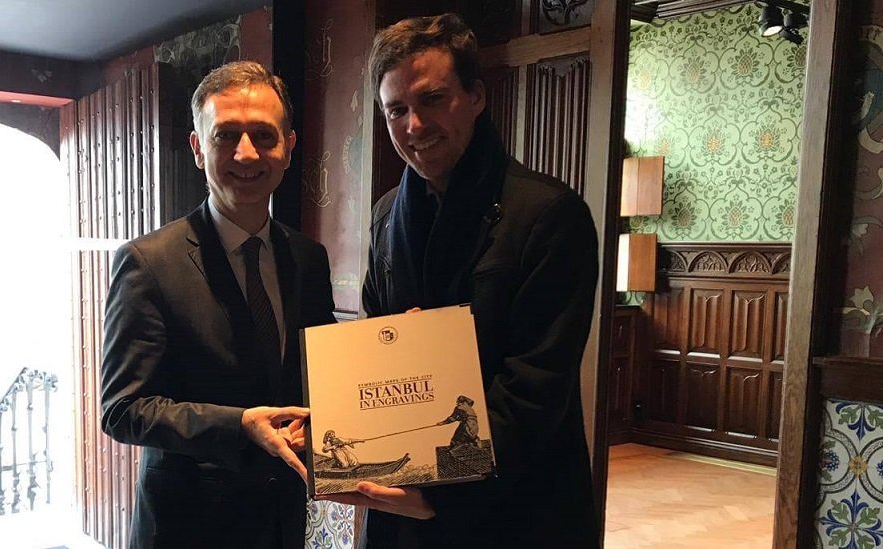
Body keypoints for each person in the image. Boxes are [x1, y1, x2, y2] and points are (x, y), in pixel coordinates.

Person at [331, 13, 601, 548]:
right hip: (405, 501)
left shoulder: (550, 214)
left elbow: (534, 386)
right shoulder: (386, 216)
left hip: (516, 503)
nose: (414, 125)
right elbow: (375, 357)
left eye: (433, 99)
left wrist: (443, 495)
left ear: (476, 96)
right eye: (396, 110)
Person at [100, 61, 337, 549]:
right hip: (186, 529)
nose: (246, 153)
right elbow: (123, 408)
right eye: (226, 135)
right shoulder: (148, 262)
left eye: (264, 136)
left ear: (289, 147)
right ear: (197, 147)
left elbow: (320, 369)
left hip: (281, 522)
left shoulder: (307, 258)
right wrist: (238, 425)